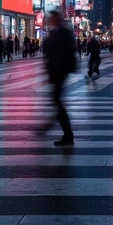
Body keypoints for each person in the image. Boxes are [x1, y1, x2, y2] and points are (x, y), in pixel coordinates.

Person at [42, 11, 76, 146]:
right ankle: (64, 131)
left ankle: (65, 132)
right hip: (56, 71)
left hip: (60, 71)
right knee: (56, 100)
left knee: (56, 100)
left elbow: (66, 53)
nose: (50, 20)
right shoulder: (55, 32)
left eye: (52, 18)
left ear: (57, 18)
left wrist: (58, 70)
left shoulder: (63, 33)